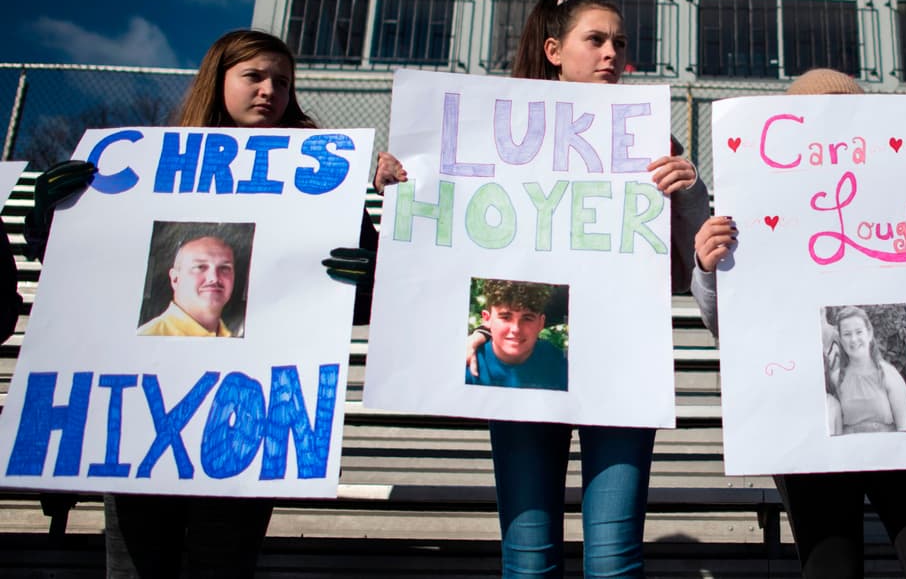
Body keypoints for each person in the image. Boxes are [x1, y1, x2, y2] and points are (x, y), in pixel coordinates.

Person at [23, 29, 406, 577]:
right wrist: (54, 219)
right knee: (134, 566)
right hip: (142, 414)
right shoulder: (148, 170)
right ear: (216, 80)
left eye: (282, 81)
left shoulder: (319, 179)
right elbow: (87, 280)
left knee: (222, 565)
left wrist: (369, 273)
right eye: (253, 76)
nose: (270, 90)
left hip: (248, 419)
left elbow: (357, 298)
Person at [691, 67, 906, 579]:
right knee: (830, 569)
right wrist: (711, 269)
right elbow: (728, 329)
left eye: (846, 113)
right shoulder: (756, 204)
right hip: (806, 424)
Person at [473, 0, 708, 578]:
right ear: (554, 51)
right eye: (596, 40)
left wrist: (691, 194)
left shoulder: (654, 139)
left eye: (620, 43)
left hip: (623, 358)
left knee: (615, 563)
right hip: (529, 367)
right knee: (528, 561)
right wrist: (407, 178)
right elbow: (451, 224)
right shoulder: (496, 130)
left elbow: (695, 260)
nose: (612, 54)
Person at [825, 305, 906, 435]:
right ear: (841, 339)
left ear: (869, 333)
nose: (854, 339)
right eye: (847, 334)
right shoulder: (836, 378)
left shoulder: (889, 375)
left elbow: (905, 429)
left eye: (859, 332)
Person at [466, 279, 568, 391]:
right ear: (487, 319)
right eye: (505, 317)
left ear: (541, 323)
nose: (516, 329)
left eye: (527, 319)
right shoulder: (468, 369)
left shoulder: (559, 366)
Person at [138, 234, 240, 337]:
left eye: (224, 268)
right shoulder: (147, 336)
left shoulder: (237, 340)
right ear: (175, 279)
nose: (214, 278)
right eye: (200, 267)